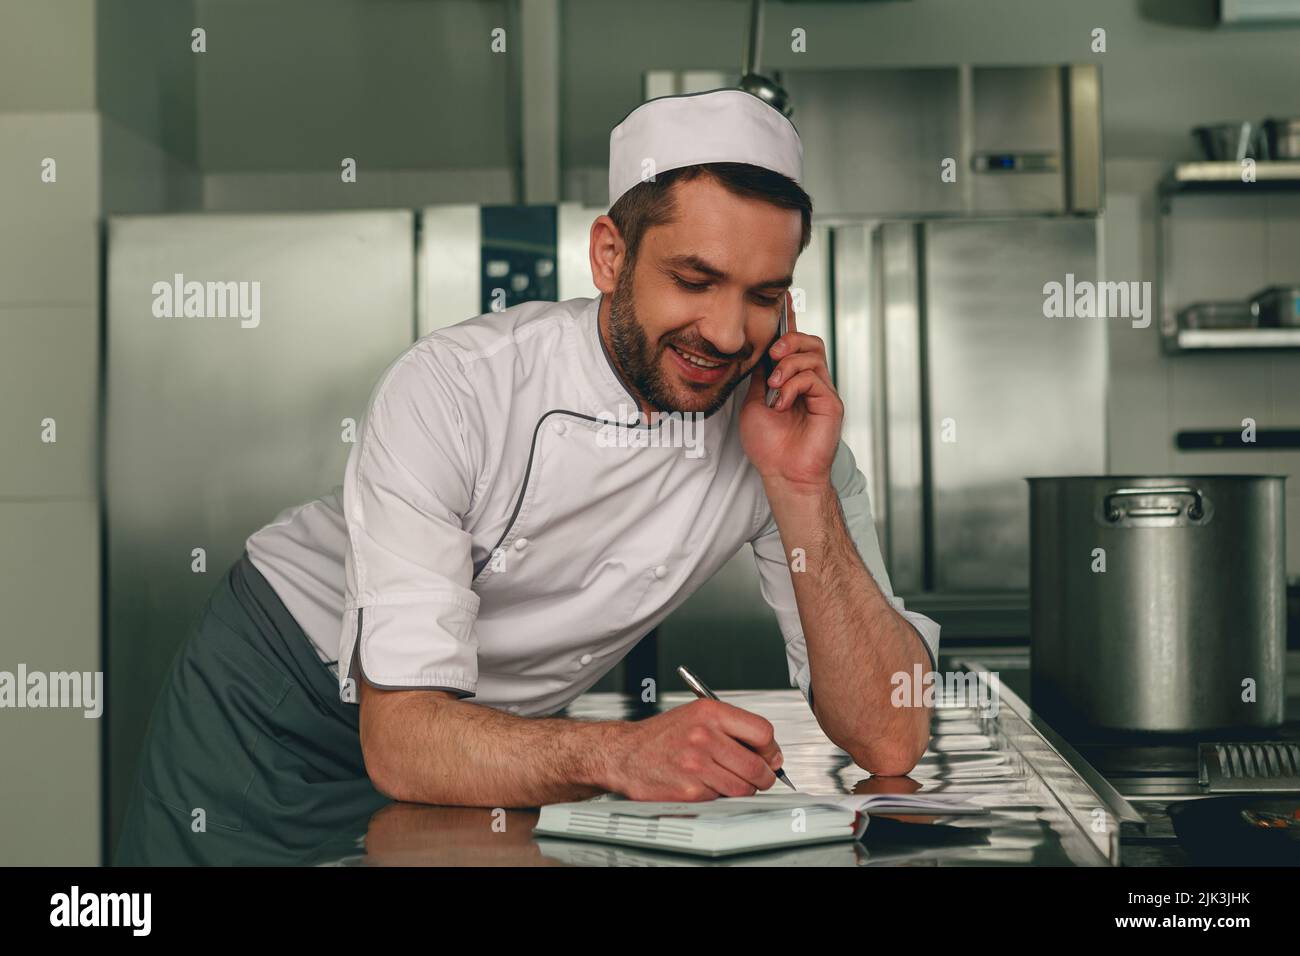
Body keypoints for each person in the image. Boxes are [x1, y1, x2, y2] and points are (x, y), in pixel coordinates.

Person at [115, 88, 939, 865]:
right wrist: (622, 753)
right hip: (273, 703)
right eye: (694, 280)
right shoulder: (458, 387)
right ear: (610, 257)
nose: (727, 333)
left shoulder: (790, 439)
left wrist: (800, 493)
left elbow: (891, 739)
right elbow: (400, 740)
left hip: (481, 746)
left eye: (763, 295)